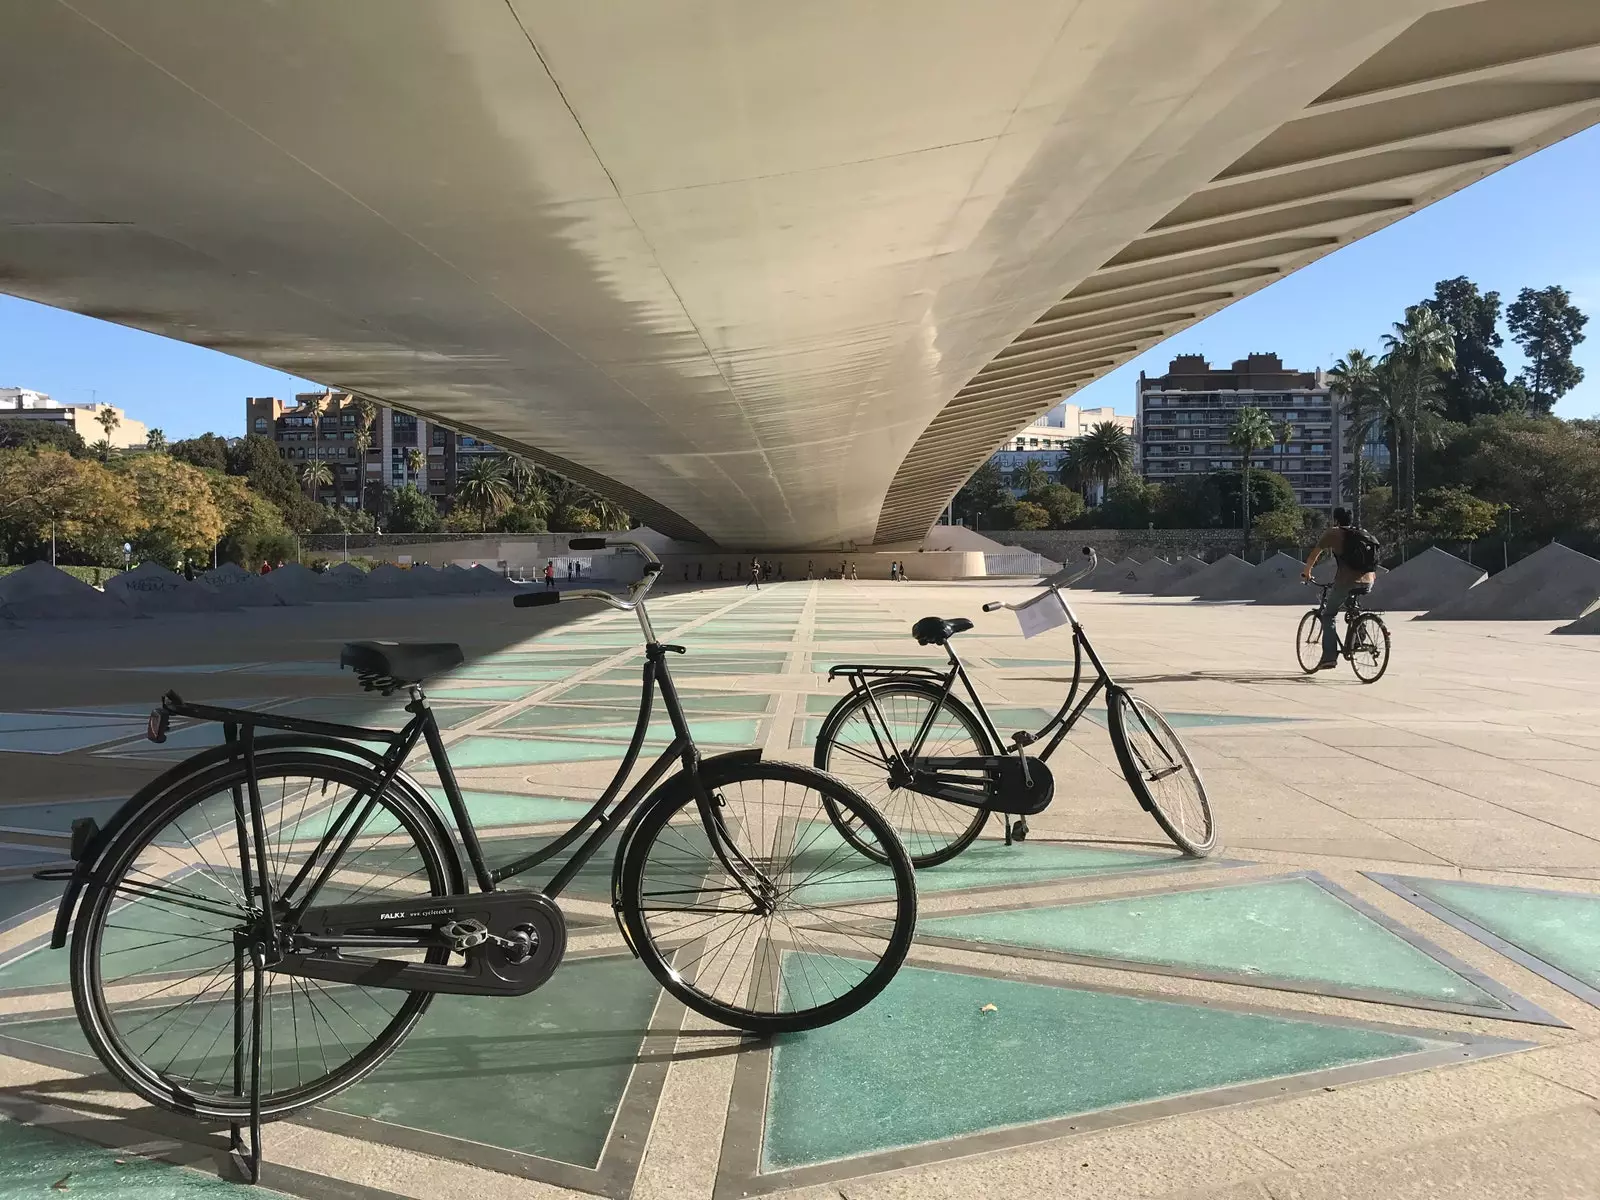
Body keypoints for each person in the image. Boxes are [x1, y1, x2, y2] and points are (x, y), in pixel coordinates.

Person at [1301, 507, 1379, 671]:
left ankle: (1329, 657)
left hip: (1346, 581)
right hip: (1368, 580)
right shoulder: (1362, 533)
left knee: (1328, 615)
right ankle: (1358, 638)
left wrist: (1307, 572)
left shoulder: (1333, 533)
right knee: (1352, 609)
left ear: (1335, 520)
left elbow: (1315, 554)